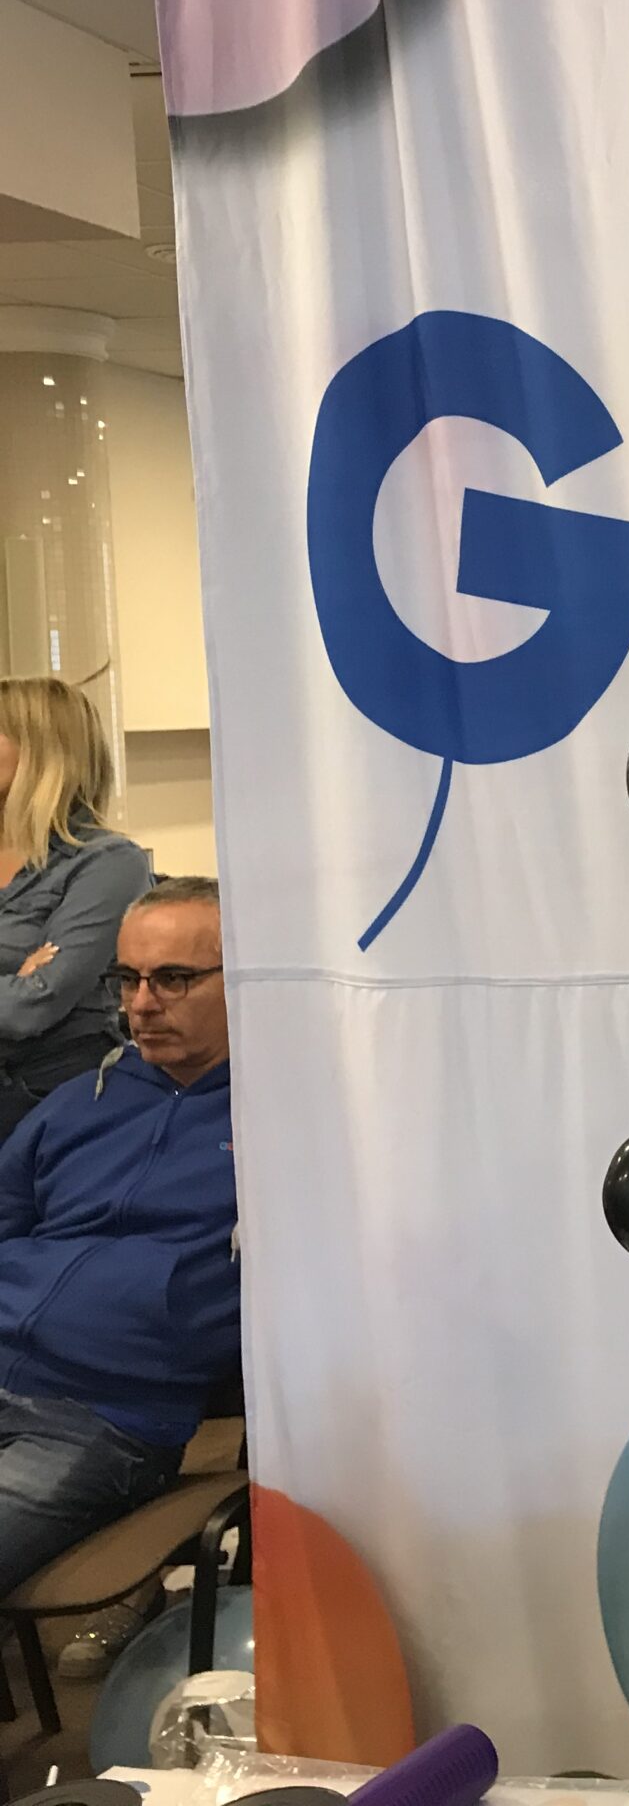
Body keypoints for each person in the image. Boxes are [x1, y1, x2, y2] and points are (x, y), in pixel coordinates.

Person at [0, 876, 236, 1673]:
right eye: (126, 978)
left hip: (100, 1417)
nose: (140, 1004)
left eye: (173, 978)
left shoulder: (281, 1120)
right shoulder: (78, 1103)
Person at [0, 679, 151, 1140]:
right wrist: (16, 979)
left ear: (41, 749)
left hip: (48, 1101)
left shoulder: (108, 862)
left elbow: (32, 1007)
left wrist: (26, 989)